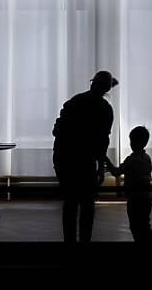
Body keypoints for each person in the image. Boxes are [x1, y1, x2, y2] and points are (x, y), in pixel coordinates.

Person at [53, 70, 117, 242]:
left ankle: (70, 242)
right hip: (85, 161)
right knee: (87, 204)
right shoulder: (105, 109)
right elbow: (102, 141)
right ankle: (84, 242)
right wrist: (101, 166)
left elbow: (58, 130)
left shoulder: (76, 102)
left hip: (66, 158)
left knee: (70, 203)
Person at [107, 126, 152, 242]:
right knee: (145, 224)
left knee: (135, 226)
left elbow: (116, 172)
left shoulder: (131, 160)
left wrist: (107, 161)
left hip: (134, 198)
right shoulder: (147, 158)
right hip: (147, 198)